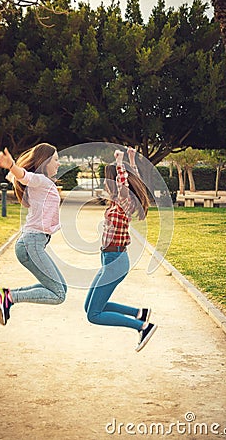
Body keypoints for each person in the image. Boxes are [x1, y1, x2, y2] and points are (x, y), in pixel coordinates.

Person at [84, 147, 157, 352]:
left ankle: (143, 326)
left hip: (116, 261)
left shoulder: (125, 201)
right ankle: (139, 313)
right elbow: (135, 180)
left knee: (94, 315)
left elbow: (125, 182)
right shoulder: (120, 201)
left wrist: (119, 161)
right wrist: (132, 159)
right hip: (109, 259)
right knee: (89, 307)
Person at [0, 143, 67, 326]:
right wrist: (11, 166)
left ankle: (7, 296)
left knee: (60, 287)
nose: (58, 164)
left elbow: (22, 177)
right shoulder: (40, 181)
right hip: (31, 243)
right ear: (46, 161)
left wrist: (13, 170)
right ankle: (9, 297)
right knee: (58, 294)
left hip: (31, 243)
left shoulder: (44, 183)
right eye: (56, 160)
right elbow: (24, 176)